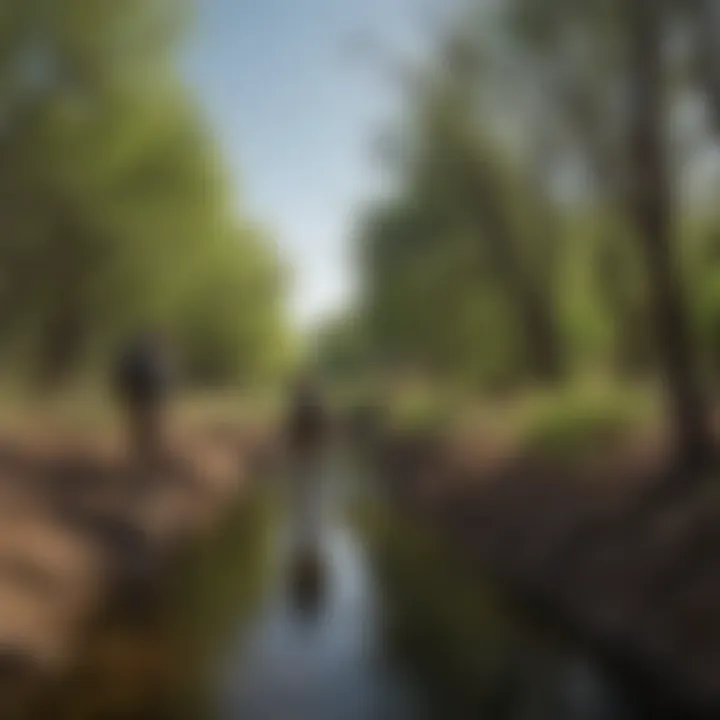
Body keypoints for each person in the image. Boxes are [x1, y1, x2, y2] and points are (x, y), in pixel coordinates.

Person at [284, 375, 329, 608]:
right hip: (312, 456)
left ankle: (307, 542)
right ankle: (310, 542)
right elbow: (324, 430)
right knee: (311, 498)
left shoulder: (302, 405)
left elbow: (293, 431)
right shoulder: (315, 405)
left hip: (305, 456)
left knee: (304, 498)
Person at [114, 332, 171, 469]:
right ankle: (145, 457)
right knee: (147, 429)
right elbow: (160, 381)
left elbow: (123, 379)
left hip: (140, 400)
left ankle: (144, 456)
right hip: (145, 401)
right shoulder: (151, 361)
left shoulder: (137, 360)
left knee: (143, 430)